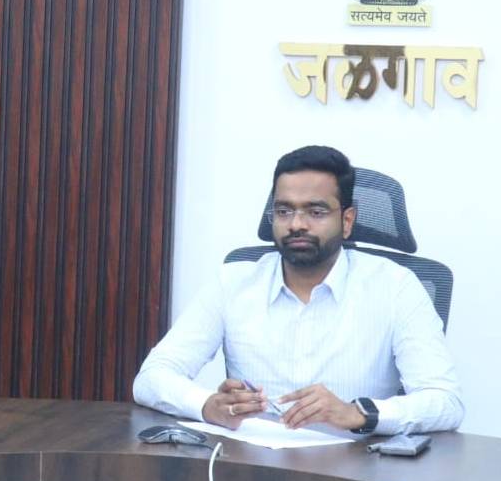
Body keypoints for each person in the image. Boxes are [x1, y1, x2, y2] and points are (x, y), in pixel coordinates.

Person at [133, 145, 463, 436]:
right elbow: (151, 378)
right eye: (284, 211)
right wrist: (207, 405)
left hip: (356, 470)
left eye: (316, 212)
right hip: (249, 467)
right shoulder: (232, 283)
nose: (296, 224)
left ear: (347, 220)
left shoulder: (396, 287)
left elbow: (445, 402)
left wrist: (357, 413)